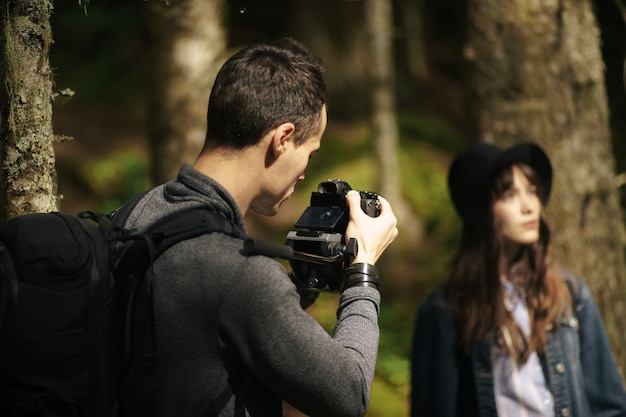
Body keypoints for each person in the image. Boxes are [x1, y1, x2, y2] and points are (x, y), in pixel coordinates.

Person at [118, 37, 398, 417]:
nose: (304, 173)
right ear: (282, 139)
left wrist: (303, 282)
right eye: (310, 152)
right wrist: (362, 273)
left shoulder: (137, 213)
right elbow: (349, 397)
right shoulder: (240, 272)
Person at [410, 142, 626, 417]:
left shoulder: (570, 295)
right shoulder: (444, 312)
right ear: (482, 210)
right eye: (510, 195)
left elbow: (610, 406)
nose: (529, 206)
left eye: (532, 191)